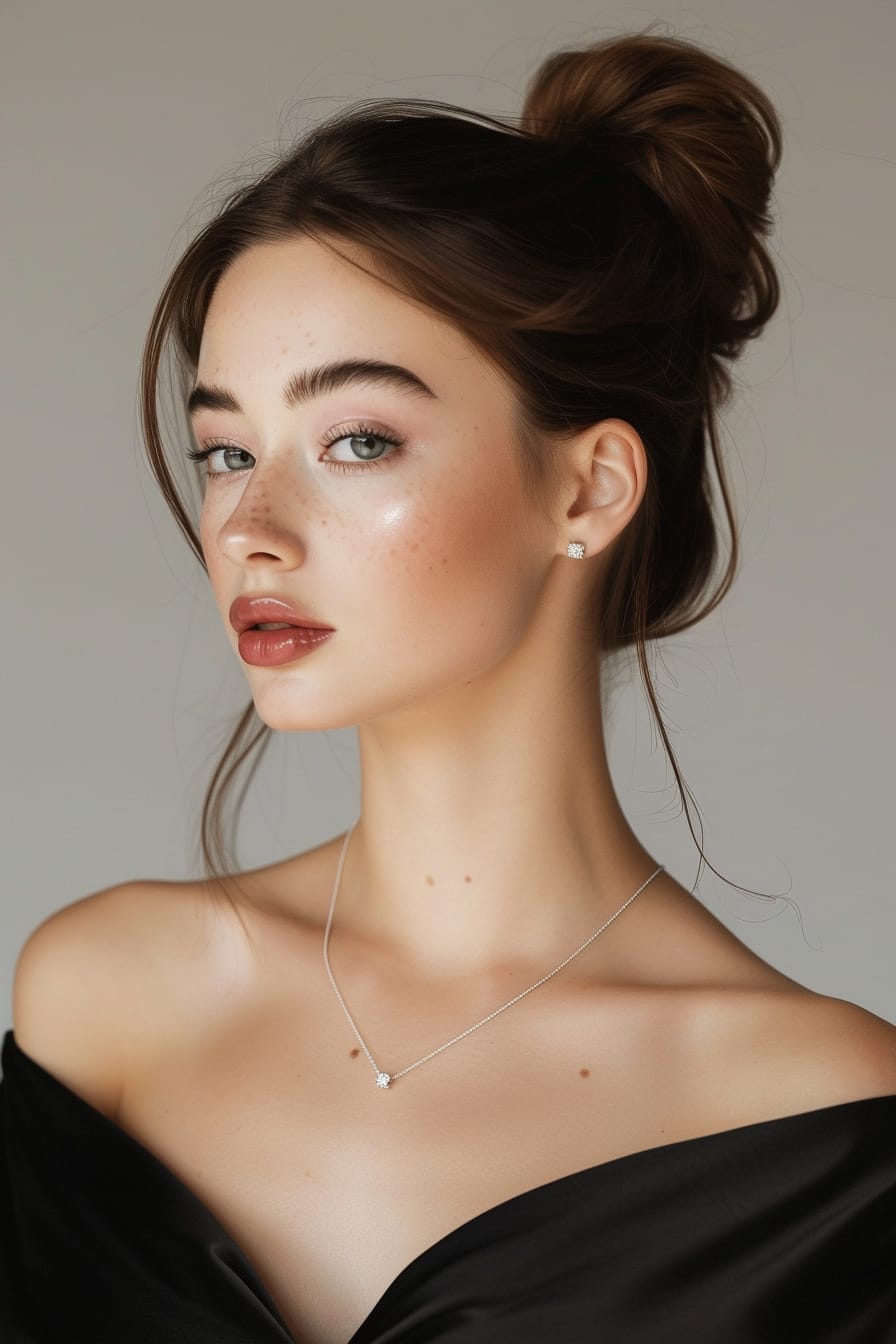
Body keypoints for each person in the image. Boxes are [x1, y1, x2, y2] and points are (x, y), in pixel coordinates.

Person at [2, 28, 895, 1344]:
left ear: (587, 487)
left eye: (357, 438)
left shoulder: (818, 1125)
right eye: (225, 446)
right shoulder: (106, 1000)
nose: (251, 522)